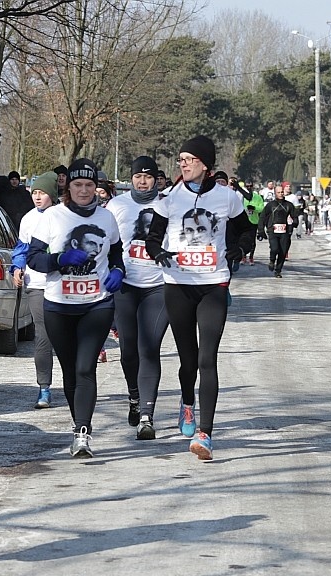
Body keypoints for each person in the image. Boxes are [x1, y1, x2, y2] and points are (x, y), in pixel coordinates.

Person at [144, 135, 244, 460]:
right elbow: (153, 236)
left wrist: (239, 248)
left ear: (205, 164)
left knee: (207, 359)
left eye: (189, 160)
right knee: (188, 361)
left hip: (214, 284)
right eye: (181, 160)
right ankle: (187, 403)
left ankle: (206, 433)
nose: (183, 165)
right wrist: (157, 251)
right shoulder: (169, 198)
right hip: (178, 285)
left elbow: (245, 230)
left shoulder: (228, 198)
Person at [27, 158, 125, 458]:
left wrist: (118, 272)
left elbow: (117, 254)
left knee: (86, 368)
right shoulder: (52, 217)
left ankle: (82, 432)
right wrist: (58, 261)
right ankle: (77, 421)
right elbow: (33, 258)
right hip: (58, 305)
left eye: (89, 185)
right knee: (70, 371)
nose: (84, 190)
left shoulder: (107, 218)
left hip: (97, 305)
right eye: (78, 185)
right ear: (68, 187)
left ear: (97, 188)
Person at [106, 156, 170, 439]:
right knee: (128, 349)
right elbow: (106, 244)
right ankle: (134, 396)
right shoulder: (117, 206)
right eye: (137, 176)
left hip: (159, 286)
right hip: (126, 286)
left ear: (157, 179)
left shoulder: (168, 204)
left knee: (149, 348)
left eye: (148, 176)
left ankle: (147, 414)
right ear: (130, 178)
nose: (143, 181)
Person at [11, 172, 59, 410]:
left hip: (62, 284)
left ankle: (77, 384)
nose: (37, 197)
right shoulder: (28, 219)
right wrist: (17, 267)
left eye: (42, 193)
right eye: (35, 192)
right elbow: (21, 248)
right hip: (37, 283)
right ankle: (45, 387)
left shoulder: (63, 215)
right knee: (42, 335)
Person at [259, 186, 299, 278]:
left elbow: (294, 216)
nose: (281, 194)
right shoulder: (270, 205)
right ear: (275, 193)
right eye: (278, 192)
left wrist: (295, 222)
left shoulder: (289, 205)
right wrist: (261, 230)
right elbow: (262, 217)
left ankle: (278, 271)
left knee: (283, 251)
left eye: (282, 192)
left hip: (284, 231)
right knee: (275, 248)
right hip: (272, 230)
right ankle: (272, 260)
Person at [230, 177, 263, 266]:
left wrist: (254, 208)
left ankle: (251, 257)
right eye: (247, 186)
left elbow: (260, 207)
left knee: (251, 240)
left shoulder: (255, 196)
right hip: (240, 220)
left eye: (250, 186)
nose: (248, 187)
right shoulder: (234, 194)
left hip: (253, 220)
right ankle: (241, 257)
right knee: (238, 239)